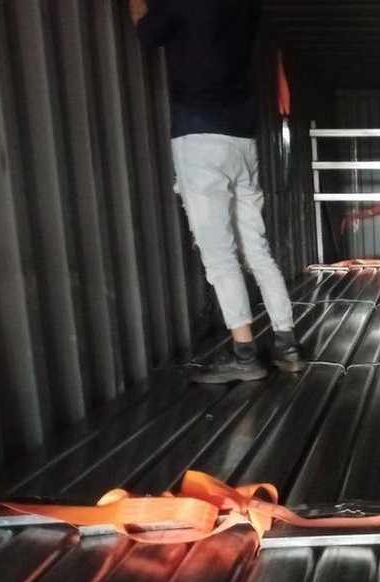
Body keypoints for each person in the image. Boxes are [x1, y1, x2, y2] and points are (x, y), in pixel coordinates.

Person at [130, 0, 304, 383]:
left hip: (199, 137)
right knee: (257, 249)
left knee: (220, 255)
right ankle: (286, 345)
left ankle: (245, 356)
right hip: (242, 139)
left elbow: (147, 33)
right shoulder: (249, 8)